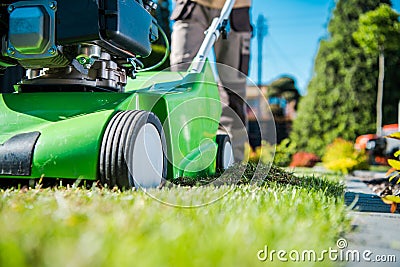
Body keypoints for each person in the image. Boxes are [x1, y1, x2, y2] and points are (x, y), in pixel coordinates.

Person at [170, 0, 252, 162]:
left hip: (236, 8)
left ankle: (234, 160)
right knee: (182, 80)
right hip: (191, 6)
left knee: (233, 90)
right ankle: (178, 153)